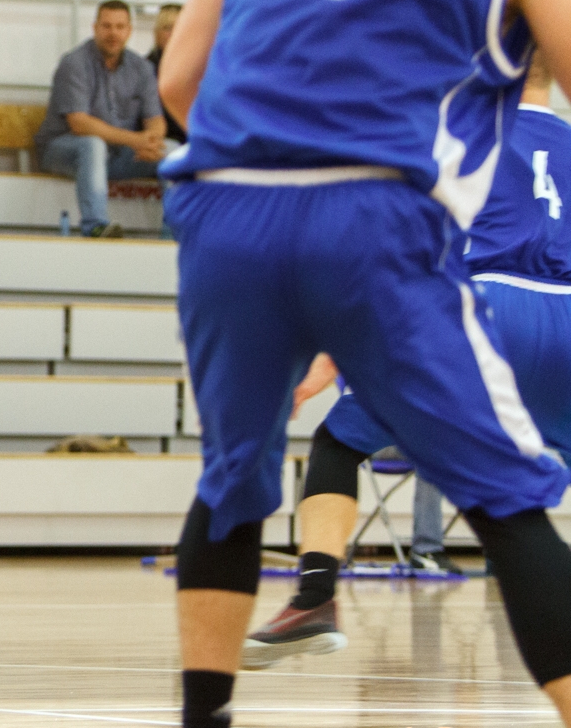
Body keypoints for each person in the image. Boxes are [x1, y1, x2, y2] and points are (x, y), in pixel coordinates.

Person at [156, 0, 571, 728]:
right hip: (375, 217)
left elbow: (178, 81)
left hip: (226, 205)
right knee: (509, 496)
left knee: (233, 477)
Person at [244, 52, 571, 668]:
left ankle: (314, 600)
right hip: (567, 313)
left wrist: (332, 350)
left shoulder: (461, 131)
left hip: (487, 306)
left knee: (339, 443)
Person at [32, 0, 169, 238]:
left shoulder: (142, 68)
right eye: (106, 26)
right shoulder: (74, 63)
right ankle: (96, 226)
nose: (113, 33)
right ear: (95, 28)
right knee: (93, 145)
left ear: (129, 30)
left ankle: (175, 234)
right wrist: (135, 140)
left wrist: (151, 141)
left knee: (172, 151)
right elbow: (79, 124)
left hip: (116, 154)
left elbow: (155, 119)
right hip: (64, 150)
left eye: (120, 26)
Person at [145, 3, 186, 142]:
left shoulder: (196, 68)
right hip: (162, 138)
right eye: (167, 28)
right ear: (156, 33)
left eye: (179, 28)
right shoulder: (145, 68)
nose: (173, 34)